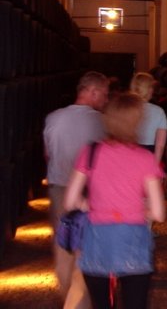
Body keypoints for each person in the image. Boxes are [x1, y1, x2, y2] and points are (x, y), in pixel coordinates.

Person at [64, 92, 166, 309]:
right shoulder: (145, 159)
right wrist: (136, 209)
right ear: (137, 121)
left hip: (97, 239)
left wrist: (92, 205)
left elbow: (71, 201)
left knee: (101, 304)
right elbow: (158, 213)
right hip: (133, 238)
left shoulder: (90, 152)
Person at [43, 70, 109, 309]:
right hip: (89, 191)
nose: (106, 99)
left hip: (59, 189)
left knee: (63, 246)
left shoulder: (53, 118)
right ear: (92, 92)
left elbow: (48, 154)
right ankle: (79, 303)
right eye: (104, 94)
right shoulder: (100, 122)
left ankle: (68, 297)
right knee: (87, 248)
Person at [129, 72, 167, 166]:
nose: (152, 90)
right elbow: (160, 145)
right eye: (151, 87)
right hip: (148, 154)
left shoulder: (124, 108)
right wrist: (155, 166)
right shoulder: (158, 112)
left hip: (128, 153)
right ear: (147, 89)